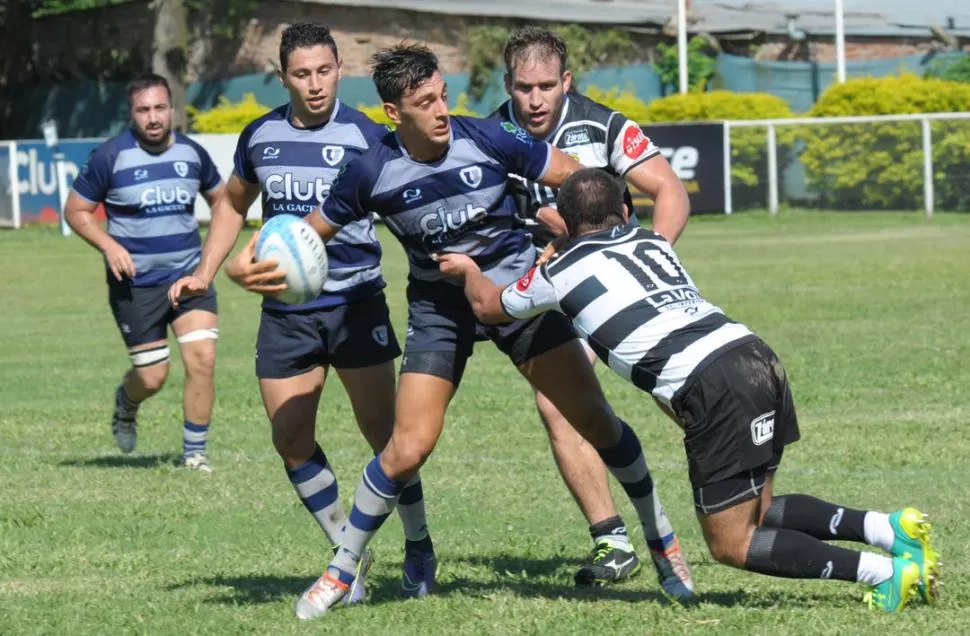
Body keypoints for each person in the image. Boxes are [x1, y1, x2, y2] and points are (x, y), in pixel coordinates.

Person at [260, 42, 693, 620]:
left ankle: (664, 546)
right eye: (424, 102)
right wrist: (265, 265)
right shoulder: (369, 171)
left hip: (517, 299)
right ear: (394, 113)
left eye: (443, 95)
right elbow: (310, 236)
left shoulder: (489, 138)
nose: (442, 110)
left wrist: (570, 232)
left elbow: (580, 181)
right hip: (441, 312)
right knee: (405, 447)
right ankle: (342, 571)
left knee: (596, 421)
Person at [437, 167, 942, 613]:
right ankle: (887, 529)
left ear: (565, 225)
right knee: (758, 510)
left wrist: (469, 270)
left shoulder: (556, 271)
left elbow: (488, 308)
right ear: (626, 210)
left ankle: (886, 574)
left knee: (732, 543)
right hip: (755, 354)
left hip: (713, 384)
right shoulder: (653, 242)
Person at [167, 23, 431, 607]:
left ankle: (418, 546)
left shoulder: (371, 136)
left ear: (341, 68)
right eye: (301, 73)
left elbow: (409, 204)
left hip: (356, 304)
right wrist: (206, 271)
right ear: (282, 76)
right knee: (290, 437)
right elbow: (234, 202)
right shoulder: (260, 136)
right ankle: (347, 560)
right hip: (286, 312)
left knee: (387, 439)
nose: (315, 84)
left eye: (325, 70)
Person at [490, 26, 693, 590]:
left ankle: (731, 479)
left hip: (614, 292)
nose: (534, 99)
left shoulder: (602, 125)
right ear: (508, 84)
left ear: (566, 82)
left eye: (546, 86)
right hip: (549, 293)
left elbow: (670, 191)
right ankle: (613, 540)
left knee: (676, 393)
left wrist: (645, 254)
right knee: (559, 407)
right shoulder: (494, 134)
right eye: (523, 87)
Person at [65, 73, 225, 472]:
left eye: (159, 108)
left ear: (171, 109)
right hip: (135, 286)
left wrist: (208, 260)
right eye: (143, 110)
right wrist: (111, 246)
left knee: (202, 358)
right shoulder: (110, 156)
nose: (153, 117)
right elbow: (76, 211)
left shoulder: (193, 154)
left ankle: (194, 454)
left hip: (188, 279)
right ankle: (126, 403)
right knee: (153, 377)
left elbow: (223, 201)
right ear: (131, 114)